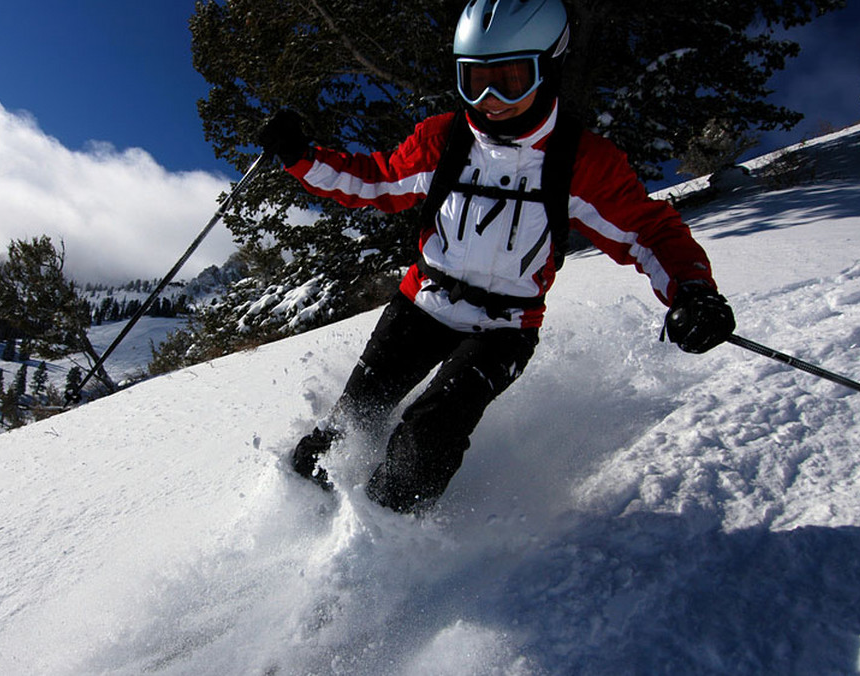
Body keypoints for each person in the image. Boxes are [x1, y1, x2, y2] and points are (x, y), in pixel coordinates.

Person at [258, 0, 735, 514]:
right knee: (351, 420)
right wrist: (301, 157)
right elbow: (374, 180)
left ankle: (377, 544)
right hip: (422, 304)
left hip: (504, 329)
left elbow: (647, 231)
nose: (489, 100)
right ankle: (298, 516)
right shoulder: (444, 140)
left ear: (549, 66)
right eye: (474, 80)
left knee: (427, 436)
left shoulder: (580, 162)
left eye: (510, 79)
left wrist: (692, 292)